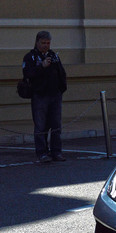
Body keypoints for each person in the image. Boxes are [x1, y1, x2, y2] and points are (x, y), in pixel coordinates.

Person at [22, 31, 67, 163]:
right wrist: (41, 66)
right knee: (40, 126)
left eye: (48, 43)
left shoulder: (53, 56)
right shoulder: (30, 57)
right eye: (43, 43)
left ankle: (56, 152)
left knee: (56, 125)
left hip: (55, 95)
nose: (45, 46)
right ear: (37, 42)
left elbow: (61, 73)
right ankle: (42, 153)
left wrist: (61, 88)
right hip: (40, 96)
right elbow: (28, 74)